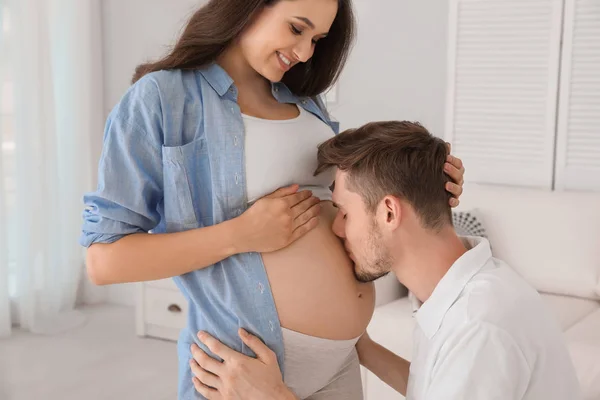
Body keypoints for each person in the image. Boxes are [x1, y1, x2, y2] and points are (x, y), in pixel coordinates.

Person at [79, 1, 466, 399]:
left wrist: (429, 185)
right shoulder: (163, 98)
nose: (305, 53)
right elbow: (103, 260)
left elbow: (354, 201)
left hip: (343, 361)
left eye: (316, 39)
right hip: (247, 370)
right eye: (297, 29)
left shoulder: (305, 101)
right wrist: (240, 235)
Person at [188, 121, 582, 400]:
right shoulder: (470, 289)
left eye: (344, 211)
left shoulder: (478, 327)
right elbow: (437, 385)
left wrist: (272, 397)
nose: (338, 229)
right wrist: (365, 349)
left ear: (389, 213)